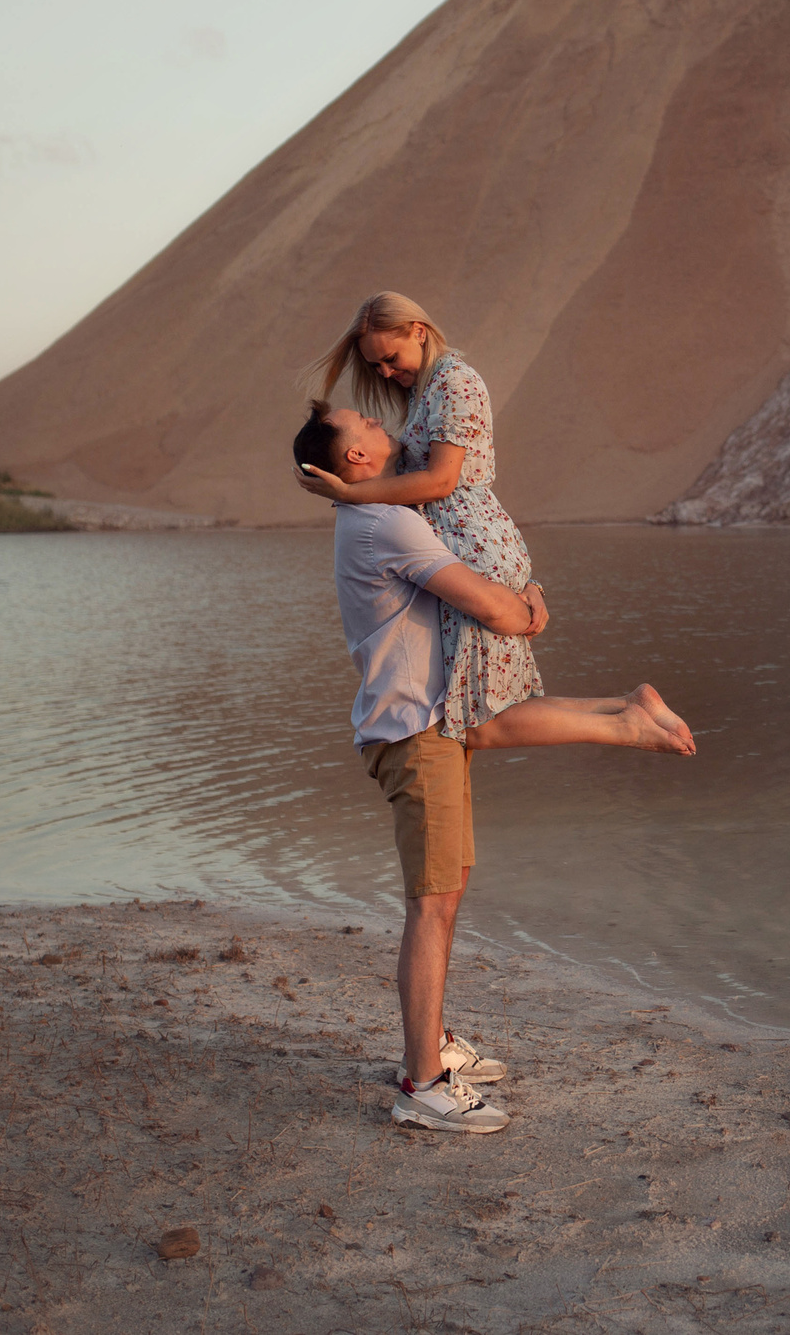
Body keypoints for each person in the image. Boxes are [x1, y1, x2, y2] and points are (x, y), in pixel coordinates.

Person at [295, 398, 692, 1135]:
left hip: (428, 723)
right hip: (415, 731)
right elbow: (494, 609)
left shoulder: (370, 514)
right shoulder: (386, 522)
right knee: (433, 899)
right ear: (353, 458)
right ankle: (422, 1082)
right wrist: (531, 605)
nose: (384, 428)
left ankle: (434, 1042)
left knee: (447, 885)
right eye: (368, 427)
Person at [296, 291, 692, 754]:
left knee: (484, 720)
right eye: (375, 366)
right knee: (498, 707)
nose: (384, 372)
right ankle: (627, 706)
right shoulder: (427, 389)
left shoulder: (453, 383)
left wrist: (348, 493)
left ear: (418, 332)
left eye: (389, 358)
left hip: (471, 548)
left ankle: (626, 724)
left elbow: (442, 481)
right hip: (470, 545)